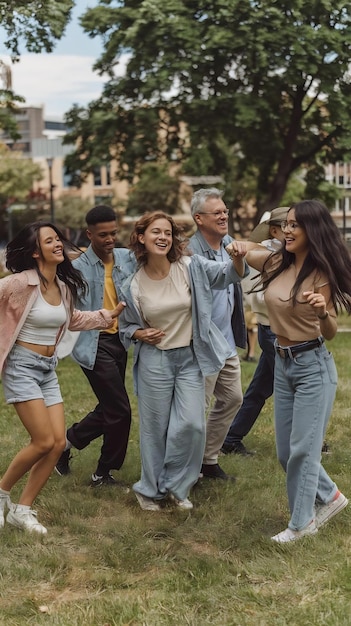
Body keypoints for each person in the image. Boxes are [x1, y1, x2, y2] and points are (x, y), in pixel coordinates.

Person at [227, 199, 351, 543]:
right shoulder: (275, 260)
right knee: (286, 453)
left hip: (313, 366)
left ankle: (302, 523)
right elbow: (247, 249)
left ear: (313, 231)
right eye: (287, 224)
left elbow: (328, 331)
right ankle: (332, 497)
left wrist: (323, 312)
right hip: (282, 363)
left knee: (303, 452)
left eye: (296, 225)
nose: (288, 230)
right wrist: (237, 247)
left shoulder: (320, 273)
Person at [0, 222, 125, 534]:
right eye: (49, 240)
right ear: (34, 251)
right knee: (42, 440)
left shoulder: (64, 287)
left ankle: (23, 509)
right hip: (21, 366)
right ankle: (2, 494)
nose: (58, 244)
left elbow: (72, 319)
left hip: (47, 368)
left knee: (57, 445)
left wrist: (105, 316)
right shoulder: (18, 284)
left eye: (58, 239)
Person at [118, 211, 248, 511]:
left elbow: (229, 274)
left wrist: (238, 257)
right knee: (155, 428)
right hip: (155, 360)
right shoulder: (132, 283)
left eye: (168, 232)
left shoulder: (191, 266)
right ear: (141, 237)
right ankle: (150, 490)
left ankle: (177, 485)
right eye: (156, 232)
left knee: (191, 425)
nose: (163, 237)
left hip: (190, 358)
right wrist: (138, 331)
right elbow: (124, 326)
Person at [55, 205, 136, 486]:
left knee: (110, 406)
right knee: (120, 410)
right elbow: (67, 311)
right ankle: (103, 472)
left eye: (114, 233)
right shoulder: (76, 268)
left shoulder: (127, 259)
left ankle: (64, 444)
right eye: (103, 235)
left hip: (120, 340)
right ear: (89, 234)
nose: (110, 239)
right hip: (92, 343)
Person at [188, 188, 247, 480]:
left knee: (233, 398)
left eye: (225, 211)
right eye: (217, 212)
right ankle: (189, 467)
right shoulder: (189, 252)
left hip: (226, 341)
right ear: (199, 218)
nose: (224, 216)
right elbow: (227, 273)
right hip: (203, 342)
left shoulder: (230, 243)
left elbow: (243, 269)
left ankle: (208, 459)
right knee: (198, 408)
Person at [222, 207, 288, 456]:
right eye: (288, 226)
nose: (295, 230)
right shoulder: (266, 252)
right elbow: (239, 247)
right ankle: (301, 442)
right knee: (290, 387)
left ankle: (230, 438)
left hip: (276, 329)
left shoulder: (288, 252)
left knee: (260, 388)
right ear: (274, 231)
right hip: (274, 330)